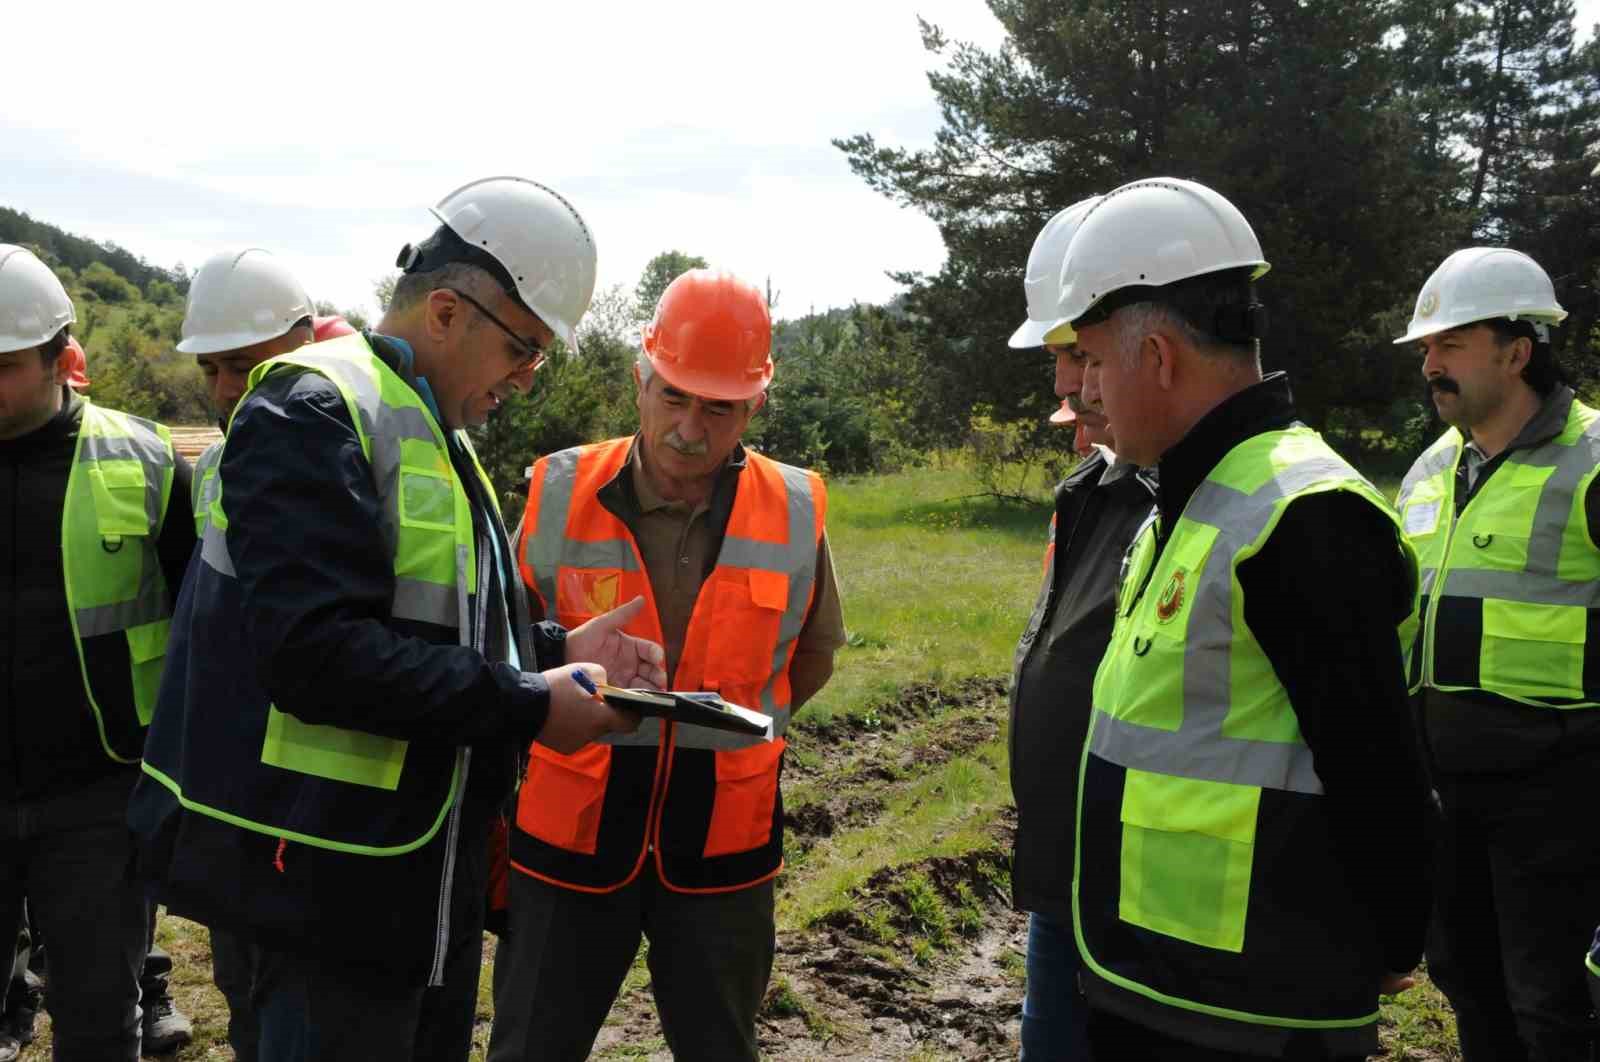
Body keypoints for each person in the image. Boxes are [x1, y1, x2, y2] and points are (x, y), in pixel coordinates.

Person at [128, 176, 665, 1062]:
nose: (526, 381)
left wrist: (553, 647)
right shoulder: (311, 409)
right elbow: (315, 653)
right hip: (317, 882)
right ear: (448, 313)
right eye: (523, 350)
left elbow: (422, 627)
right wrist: (530, 704)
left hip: (416, 881)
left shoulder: (434, 430)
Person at [1062, 178, 1431, 1060]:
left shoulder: (1305, 515)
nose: (1086, 393)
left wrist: (1392, 937)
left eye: (1095, 363)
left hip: (1251, 1007)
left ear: (1156, 357)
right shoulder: (1191, 498)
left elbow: (1377, 762)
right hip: (1158, 979)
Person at [489, 268, 846, 1062]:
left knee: (721, 1047)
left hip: (722, 846)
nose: (690, 427)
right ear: (640, 377)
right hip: (568, 842)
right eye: (674, 396)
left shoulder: (795, 508)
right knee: (529, 1048)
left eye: (718, 408)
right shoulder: (557, 489)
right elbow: (502, 651)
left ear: (755, 404)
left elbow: (810, 659)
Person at [1392, 246, 1600, 1060]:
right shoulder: (1432, 467)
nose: (1429, 365)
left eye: (1449, 346)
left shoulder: (1591, 461)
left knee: (1549, 998)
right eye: (1425, 350)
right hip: (1446, 788)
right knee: (1463, 974)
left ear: (1518, 351)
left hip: (1561, 793)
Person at [0, 244, 196, 1060]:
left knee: (97, 1021)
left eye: (3, 366)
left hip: (100, 798)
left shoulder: (146, 461)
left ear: (59, 357)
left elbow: (198, 625)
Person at [1006, 195, 1156, 1061]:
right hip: (1065, 873)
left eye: (1078, 355)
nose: (1067, 386)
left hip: (1152, 898)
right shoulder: (1095, 491)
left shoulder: (1214, 504)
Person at [173, 246, 319, 1059]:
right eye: (215, 371)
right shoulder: (219, 464)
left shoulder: (356, 441)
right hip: (236, 782)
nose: (228, 391)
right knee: (243, 988)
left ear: (302, 341)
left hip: (318, 794)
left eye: (245, 366)